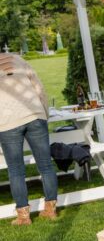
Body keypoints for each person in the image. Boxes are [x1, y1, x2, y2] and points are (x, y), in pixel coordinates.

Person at [0, 53, 58, 225]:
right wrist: (44, 114)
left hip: (7, 121)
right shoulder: (19, 59)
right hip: (35, 115)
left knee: (16, 170)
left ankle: (23, 216)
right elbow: (38, 87)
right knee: (46, 165)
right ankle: (50, 210)